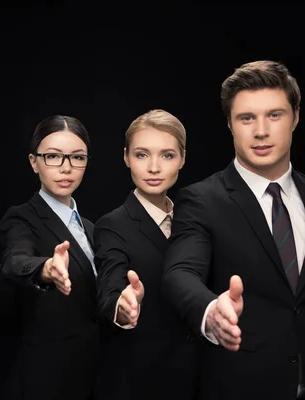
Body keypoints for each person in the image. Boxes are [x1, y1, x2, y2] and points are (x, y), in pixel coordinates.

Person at [162, 60, 305, 399]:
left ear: (295, 117)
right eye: (246, 118)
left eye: (274, 115)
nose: (260, 131)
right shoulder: (201, 200)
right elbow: (179, 271)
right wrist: (210, 311)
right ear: (230, 125)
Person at [92, 109, 198, 399]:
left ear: (183, 158)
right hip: (141, 382)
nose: (154, 167)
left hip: (198, 379)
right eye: (142, 155)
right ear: (126, 157)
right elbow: (109, 290)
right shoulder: (112, 225)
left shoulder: (194, 220)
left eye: (167, 155)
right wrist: (122, 309)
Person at [0, 115, 100, 400]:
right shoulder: (21, 218)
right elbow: (15, 261)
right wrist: (46, 268)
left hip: (90, 375)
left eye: (77, 157)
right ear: (33, 162)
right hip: (42, 379)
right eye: (53, 156)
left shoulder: (91, 228)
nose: (66, 168)